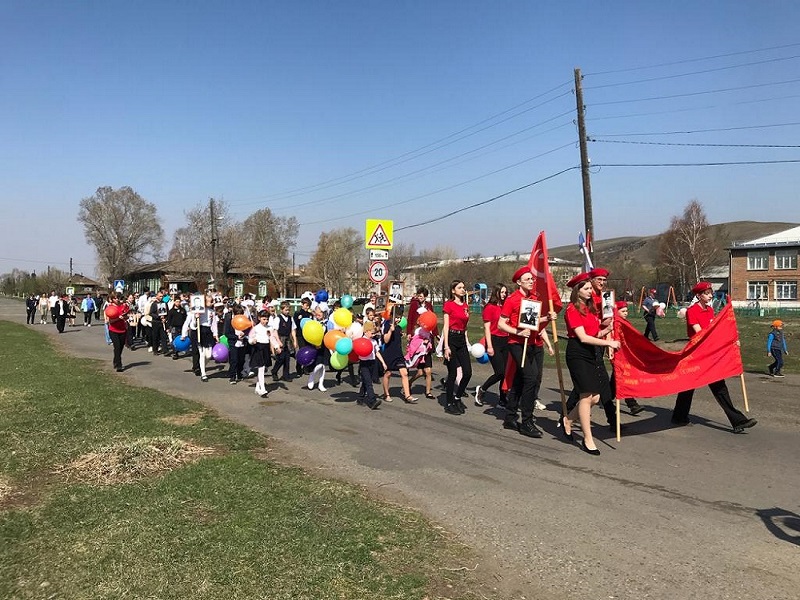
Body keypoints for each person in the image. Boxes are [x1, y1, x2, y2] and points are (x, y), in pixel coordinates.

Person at [671, 281, 757, 433]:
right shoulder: (692, 311)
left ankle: (738, 421)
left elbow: (714, 330)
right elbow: (700, 333)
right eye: (707, 293)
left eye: (711, 292)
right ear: (699, 295)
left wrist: (731, 340)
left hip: (708, 353)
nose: (710, 295)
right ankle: (679, 416)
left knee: (719, 388)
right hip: (696, 353)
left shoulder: (710, 310)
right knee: (687, 386)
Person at [560, 273, 620, 455]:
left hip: (591, 353)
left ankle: (568, 420)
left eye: (589, 289)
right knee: (586, 397)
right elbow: (583, 337)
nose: (590, 291)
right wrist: (609, 343)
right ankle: (588, 438)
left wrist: (607, 329)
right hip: (578, 353)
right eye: (586, 289)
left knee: (595, 398)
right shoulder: (572, 309)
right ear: (577, 291)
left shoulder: (591, 309)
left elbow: (594, 334)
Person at [497, 267, 554, 437]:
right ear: (519, 282)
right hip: (516, 343)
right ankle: (527, 421)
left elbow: (532, 321)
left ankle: (510, 416)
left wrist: (546, 319)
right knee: (531, 378)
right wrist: (518, 332)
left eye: (532, 279)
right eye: (527, 279)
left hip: (532, 344)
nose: (531, 281)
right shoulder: (512, 300)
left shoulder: (533, 298)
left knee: (520, 380)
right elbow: (501, 323)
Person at [475, 284, 509, 407]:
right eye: (502, 292)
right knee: (500, 371)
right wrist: (489, 346)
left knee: (506, 372)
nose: (504, 294)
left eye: (506, 292)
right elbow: (487, 329)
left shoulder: (506, 307)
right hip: (494, 340)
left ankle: (503, 397)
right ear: (496, 293)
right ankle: (482, 389)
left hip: (506, 340)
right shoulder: (490, 307)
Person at [442, 280, 472, 415]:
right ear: (453, 290)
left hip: (461, 340)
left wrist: (467, 340)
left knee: (468, 372)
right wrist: (446, 346)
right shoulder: (449, 305)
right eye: (459, 287)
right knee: (453, 373)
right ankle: (449, 403)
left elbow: (465, 326)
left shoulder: (465, 306)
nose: (462, 290)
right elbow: (446, 326)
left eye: (463, 287)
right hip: (451, 339)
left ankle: (457, 397)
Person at [610, 301, 645, 415]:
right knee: (623, 377)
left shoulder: (625, 322)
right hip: (617, 354)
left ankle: (605, 397)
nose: (626, 313)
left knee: (615, 381)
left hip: (625, 355)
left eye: (626, 311)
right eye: (623, 311)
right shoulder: (614, 323)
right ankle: (632, 404)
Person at [381, 304, 417, 403]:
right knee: (388, 373)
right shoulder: (387, 324)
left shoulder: (399, 327)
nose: (397, 319)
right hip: (389, 353)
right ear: (391, 315)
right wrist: (390, 331)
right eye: (396, 317)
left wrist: (400, 334)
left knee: (404, 373)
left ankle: (408, 396)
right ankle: (386, 394)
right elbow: (386, 340)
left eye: (399, 318)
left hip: (398, 354)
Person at [357, 322, 384, 410]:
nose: (373, 335)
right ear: (366, 331)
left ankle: (360, 398)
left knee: (366, 382)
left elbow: (377, 352)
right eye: (372, 333)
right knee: (369, 383)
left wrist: (383, 363)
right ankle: (372, 401)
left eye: (374, 333)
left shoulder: (374, 341)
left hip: (372, 363)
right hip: (364, 364)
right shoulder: (361, 341)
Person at [248, 310, 274, 397]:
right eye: (264, 319)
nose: (265, 321)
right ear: (259, 318)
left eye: (267, 319)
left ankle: (257, 387)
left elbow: (272, 338)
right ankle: (262, 389)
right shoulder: (255, 328)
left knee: (262, 368)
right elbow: (250, 339)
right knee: (261, 368)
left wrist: (276, 346)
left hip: (266, 349)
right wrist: (252, 341)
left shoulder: (269, 328)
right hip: (258, 348)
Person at [270, 301, 297, 382]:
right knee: (281, 358)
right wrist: (278, 341)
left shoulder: (290, 318)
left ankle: (286, 375)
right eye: (286, 310)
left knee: (287, 358)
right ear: (281, 310)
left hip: (288, 340)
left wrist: (295, 340)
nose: (287, 312)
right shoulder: (278, 318)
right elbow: (275, 331)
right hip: (280, 338)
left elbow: (293, 330)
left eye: (288, 310)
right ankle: (274, 371)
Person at [104, 292, 130, 372]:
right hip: (113, 330)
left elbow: (127, 315)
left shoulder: (123, 306)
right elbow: (110, 321)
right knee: (117, 346)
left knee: (120, 348)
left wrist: (125, 316)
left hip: (123, 330)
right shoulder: (110, 308)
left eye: (118, 298)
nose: (117, 299)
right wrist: (119, 318)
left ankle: (115, 361)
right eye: (115, 298)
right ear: (112, 299)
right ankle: (119, 365)